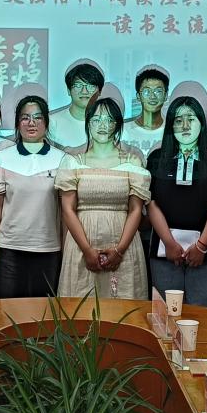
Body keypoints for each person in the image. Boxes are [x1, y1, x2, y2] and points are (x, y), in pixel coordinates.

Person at [56, 97, 150, 299]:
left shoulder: (132, 161)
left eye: (109, 120)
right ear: (88, 123)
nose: (102, 125)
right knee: (81, 308)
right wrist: (87, 250)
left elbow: (136, 210)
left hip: (123, 244)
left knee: (124, 305)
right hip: (81, 245)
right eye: (97, 119)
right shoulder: (72, 161)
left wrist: (119, 250)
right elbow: (67, 209)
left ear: (117, 125)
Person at [146, 97, 207, 308]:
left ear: (201, 123)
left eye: (190, 119)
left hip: (205, 255)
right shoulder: (156, 158)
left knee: (204, 317)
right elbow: (152, 204)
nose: (185, 126)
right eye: (178, 120)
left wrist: (201, 246)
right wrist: (169, 243)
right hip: (164, 254)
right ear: (170, 125)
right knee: (165, 318)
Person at [0, 96, 65, 298]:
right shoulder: (3, 157)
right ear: (18, 123)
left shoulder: (61, 159)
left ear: (46, 122)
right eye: (25, 117)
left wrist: (65, 247)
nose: (31, 123)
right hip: (9, 247)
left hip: (47, 248)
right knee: (7, 309)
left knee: (43, 311)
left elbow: (65, 209)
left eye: (38, 117)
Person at [47, 62, 104, 150]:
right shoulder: (52, 123)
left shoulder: (108, 123)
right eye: (78, 85)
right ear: (68, 90)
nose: (84, 91)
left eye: (90, 86)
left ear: (99, 91)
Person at [120, 68, 169, 161]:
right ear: (138, 96)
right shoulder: (122, 130)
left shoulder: (172, 131)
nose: (152, 96)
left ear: (165, 96)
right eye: (147, 91)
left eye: (158, 91)